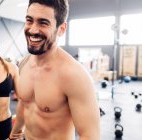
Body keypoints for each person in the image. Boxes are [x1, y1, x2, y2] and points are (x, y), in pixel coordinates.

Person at [9, 0, 100, 140]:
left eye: (43, 23)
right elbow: (24, 104)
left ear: (61, 29)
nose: (33, 30)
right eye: (29, 20)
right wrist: (14, 134)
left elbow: (90, 136)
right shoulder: (24, 64)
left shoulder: (75, 75)